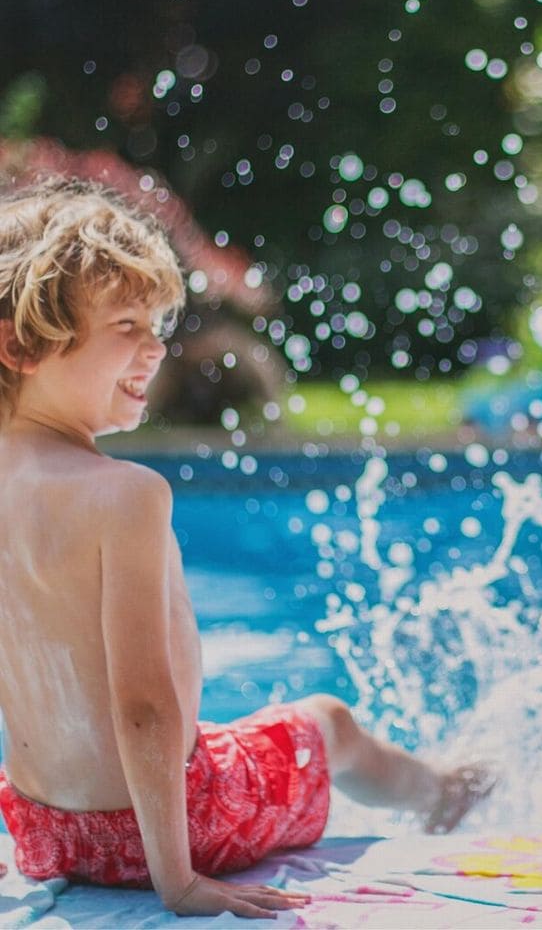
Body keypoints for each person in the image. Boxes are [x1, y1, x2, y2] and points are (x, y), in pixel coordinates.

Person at [0, 179, 494, 918]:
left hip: (41, 831)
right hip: (171, 836)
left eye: (158, 323)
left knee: (228, 736)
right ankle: (444, 793)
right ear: (21, 344)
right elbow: (144, 706)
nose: (157, 345)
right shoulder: (123, 493)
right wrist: (178, 881)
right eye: (127, 323)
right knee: (328, 720)